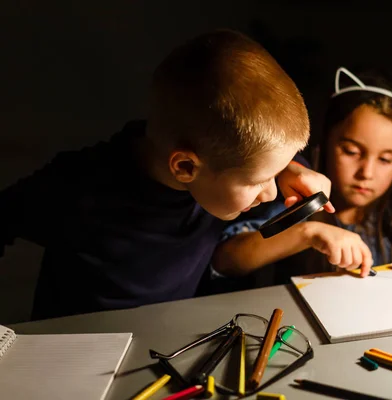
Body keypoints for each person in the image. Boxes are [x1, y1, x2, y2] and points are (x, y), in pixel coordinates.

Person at [0, 29, 339, 320]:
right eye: (257, 182)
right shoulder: (80, 188)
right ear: (186, 167)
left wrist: (292, 170)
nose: (269, 194)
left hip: (166, 345)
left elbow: (256, 160)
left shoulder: (213, 176)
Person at [212, 67, 392, 300]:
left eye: (386, 159)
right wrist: (307, 232)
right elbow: (226, 260)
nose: (366, 172)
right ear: (323, 145)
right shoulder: (292, 203)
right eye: (351, 151)